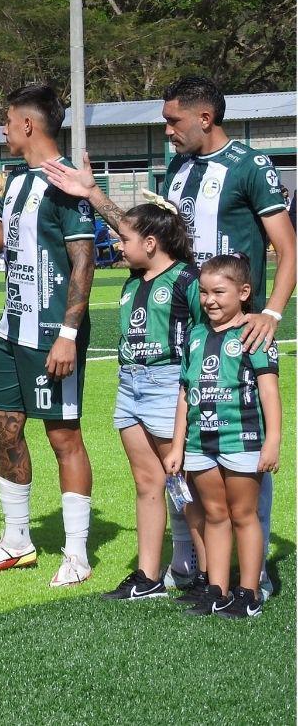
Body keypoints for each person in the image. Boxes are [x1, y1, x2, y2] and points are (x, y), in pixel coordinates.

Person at [42, 74, 295, 597]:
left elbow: (287, 249)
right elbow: (148, 242)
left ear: (205, 118)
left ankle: (255, 576)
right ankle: (198, 570)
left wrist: (269, 313)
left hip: (236, 333)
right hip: (186, 334)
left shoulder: (251, 166)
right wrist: (92, 194)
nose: (167, 131)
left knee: (240, 450)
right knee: (195, 459)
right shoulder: (179, 169)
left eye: (173, 120)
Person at [0, 84, 96, 587]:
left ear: (29, 126)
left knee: (63, 437)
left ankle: (77, 554)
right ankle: (17, 541)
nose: (4, 129)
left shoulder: (65, 184)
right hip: (12, 332)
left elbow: (84, 259)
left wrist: (67, 334)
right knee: (2, 427)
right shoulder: (16, 183)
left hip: (52, 333)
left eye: (8, 121)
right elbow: (1, 240)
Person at [164, 254, 281, 618]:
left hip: (241, 440)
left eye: (218, 292)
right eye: (203, 292)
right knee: (214, 514)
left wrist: (272, 439)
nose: (209, 300)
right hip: (200, 444)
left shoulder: (254, 334)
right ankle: (217, 589)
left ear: (244, 292)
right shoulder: (196, 336)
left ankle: (250, 592)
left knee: (243, 514)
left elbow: (268, 391)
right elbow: (186, 393)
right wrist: (177, 444)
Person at [100, 202, 202, 601]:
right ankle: (148, 576)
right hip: (130, 387)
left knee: (185, 484)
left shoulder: (185, 279)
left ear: (151, 242)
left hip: (168, 384)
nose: (118, 245)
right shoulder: (132, 281)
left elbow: (207, 330)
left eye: (125, 239)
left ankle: (208, 576)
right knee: (147, 484)